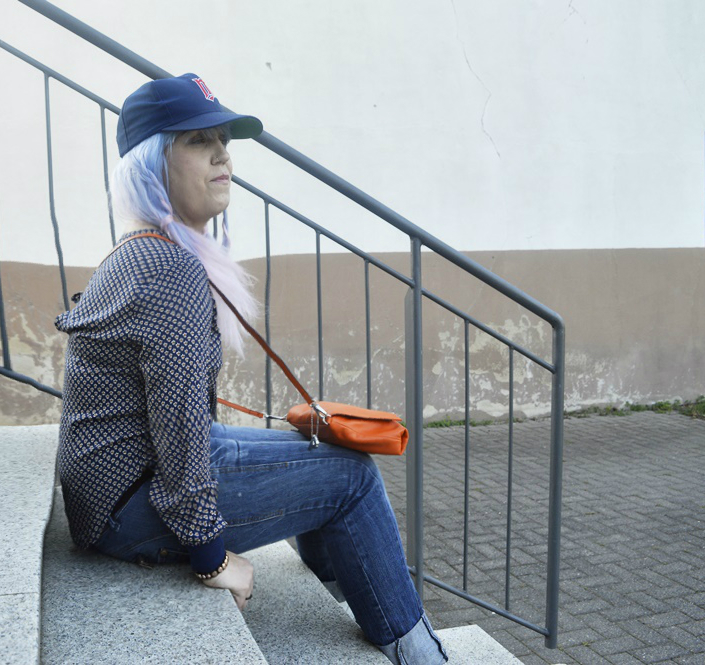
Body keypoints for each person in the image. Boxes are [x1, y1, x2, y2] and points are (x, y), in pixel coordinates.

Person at [54, 73, 448, 664]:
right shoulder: (167, 271)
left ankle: (354, 598)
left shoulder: (142, 250)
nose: (222, 154)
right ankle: (419, 654)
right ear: (149, 164)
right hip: (128, 506)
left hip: (113, 489)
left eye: (223, 139)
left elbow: (174, 420)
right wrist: (213, 559)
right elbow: (180, 437)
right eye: (196, 140)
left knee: (315, 448)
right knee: (350, 478)